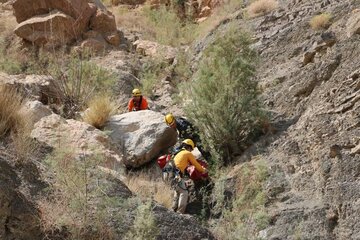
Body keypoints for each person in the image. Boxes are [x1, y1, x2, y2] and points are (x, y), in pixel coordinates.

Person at [171, 139, 207, 213]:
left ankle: (173, 209)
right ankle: (180, 213)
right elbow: (196, 164)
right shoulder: (187, 153)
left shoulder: (177, 153)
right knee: (184, 192)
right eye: (191, 149)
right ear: (189, 147)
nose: (191, 151)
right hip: (176, 174)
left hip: (168, 174)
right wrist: (203, 170)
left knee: (177, 190)